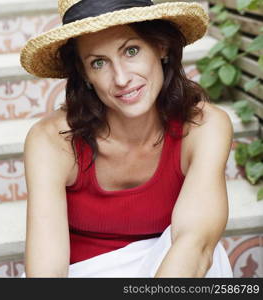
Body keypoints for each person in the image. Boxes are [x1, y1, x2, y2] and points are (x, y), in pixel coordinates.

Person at [20, 0, 234, 278]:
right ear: (84, 75)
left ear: (161, 46)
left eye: (131, 51)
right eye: (98, 62)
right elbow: (45, 276)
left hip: (172, 271)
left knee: (209, 254)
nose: (121, 78)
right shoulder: (52, 141)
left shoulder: (204, 126)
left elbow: (196, 245)